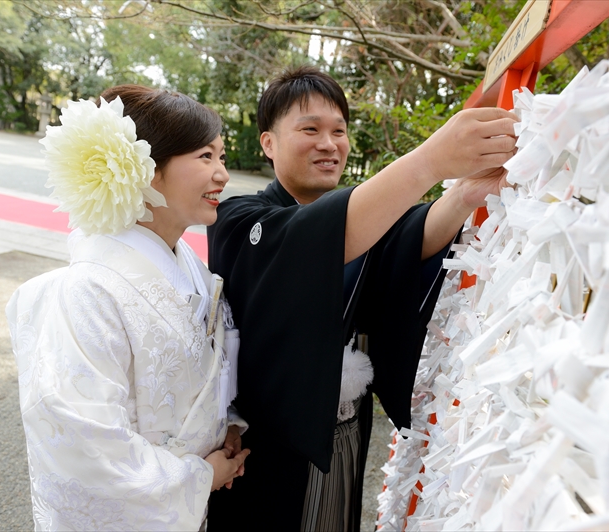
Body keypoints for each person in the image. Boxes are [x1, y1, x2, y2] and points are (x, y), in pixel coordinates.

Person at [206, 66, 518, 531]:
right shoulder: (238, 218)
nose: (329, 144)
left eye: (339, 131)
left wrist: (467, 192)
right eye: (310, 129)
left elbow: (399, 245)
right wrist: (430, 161)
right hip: (266, 448)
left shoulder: (359, 219)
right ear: (268, 143)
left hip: (345, 432)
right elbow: (313, 241)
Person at [6, 85, 251, 531]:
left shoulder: (192, 269)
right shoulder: (86, 291)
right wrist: (200, 476)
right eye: (205, 157)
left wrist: (227, 427)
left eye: (222, 157)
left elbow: (213, 371)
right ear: (147, 169)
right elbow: (87, 447)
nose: (222, 174)